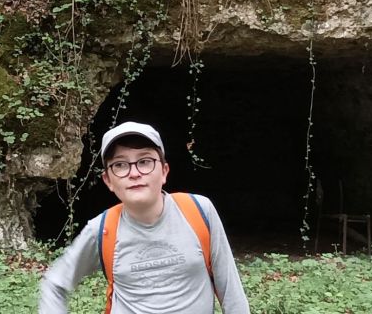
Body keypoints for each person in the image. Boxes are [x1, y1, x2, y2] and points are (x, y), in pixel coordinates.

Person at [39, 121, 250, 314]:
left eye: (145, 161)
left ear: (164, 171)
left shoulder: (199, 210)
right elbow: (56, 284)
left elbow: (231, 292)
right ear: (108, 180)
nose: (134, 173)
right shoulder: (102, 229)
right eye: (120, 165)